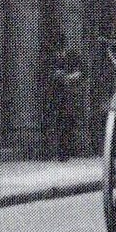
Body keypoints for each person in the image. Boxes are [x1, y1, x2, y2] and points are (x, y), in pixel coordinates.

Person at [44, 31, 85, 160]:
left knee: (67, 123)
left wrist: (70, 77)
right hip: (55, 94)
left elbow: (81, 72)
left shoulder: (72, 55)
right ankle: (55, 151)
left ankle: (65, 152)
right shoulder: (51, 57)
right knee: (56, 122)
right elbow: (46, 74)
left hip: (69, 95)